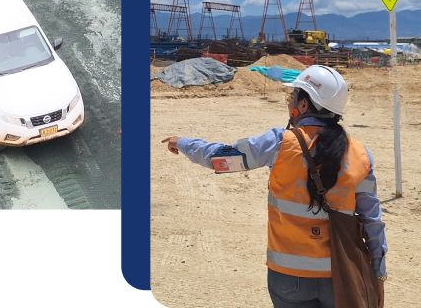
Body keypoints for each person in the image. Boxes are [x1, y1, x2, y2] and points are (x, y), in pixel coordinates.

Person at [162, 65, 387, 308]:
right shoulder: (361, 154)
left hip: (288, 275)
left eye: (293, 95)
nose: (289, 100)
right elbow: (372, 219)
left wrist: (184, 143)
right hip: (342, 274)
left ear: (303, 105)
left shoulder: (280, 143)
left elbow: (222, 159)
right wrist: (378, 270)